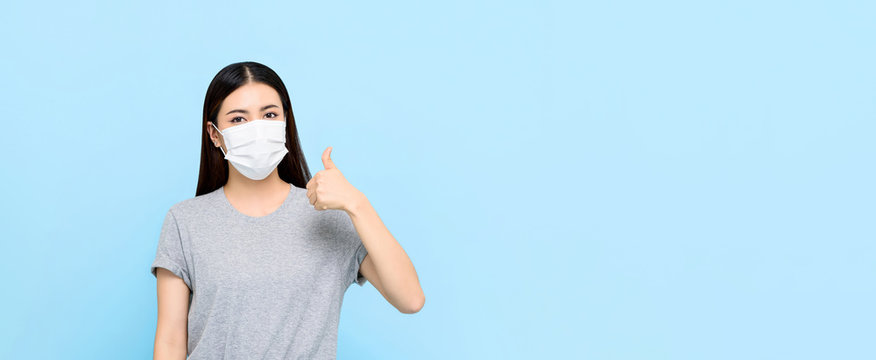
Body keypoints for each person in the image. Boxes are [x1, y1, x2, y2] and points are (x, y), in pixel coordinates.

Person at [150, 61, 425, 359]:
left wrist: (357, 204)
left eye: (269, 115)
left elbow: (410, 299)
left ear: (284, 123)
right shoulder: (185, 221)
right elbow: (170, 340)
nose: (256, 129)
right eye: (238, 119)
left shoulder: (329, 217)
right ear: (214, 134)